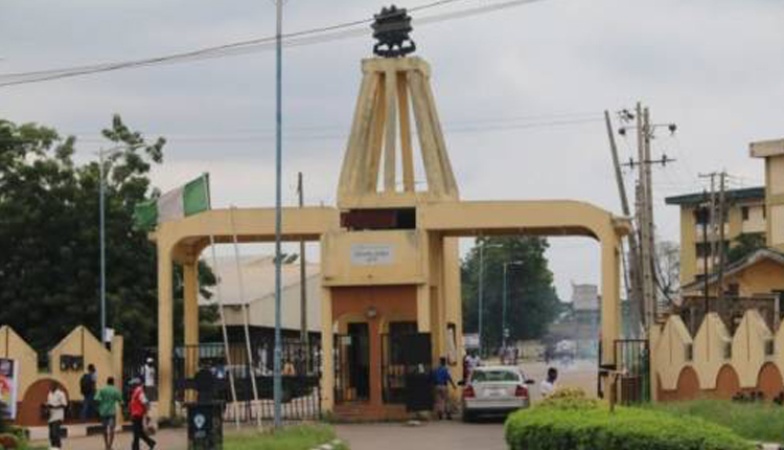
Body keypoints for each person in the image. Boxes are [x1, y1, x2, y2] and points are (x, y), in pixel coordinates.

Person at [94, 377, 123, 450]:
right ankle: (110, 445)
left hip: (103, 412)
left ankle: (106, 444)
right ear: (113, 382)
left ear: (107, 382)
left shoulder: (102, 389)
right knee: (112, 429)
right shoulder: (115, 390)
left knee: (104, 429)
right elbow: (120, 401)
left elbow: (96, 399)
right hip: (111, 413)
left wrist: (100, 405)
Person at [130, 378, 156, 450]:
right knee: (139, 432)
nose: (131, 386)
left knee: (136, 433)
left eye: (132, 384)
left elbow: (145, 402)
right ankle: (151, 443)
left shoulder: (139, 391)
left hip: (137, 415)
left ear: (136, 384)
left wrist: (147, 414)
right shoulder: (136, 391)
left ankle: (135, 448)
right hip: (136, 414)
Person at [46, 382, 68, 450]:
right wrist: (47, 407)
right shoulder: (49, 394)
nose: (51, 387)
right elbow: (49, 403)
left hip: (58, 415)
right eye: (50, 386)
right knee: (51, 434)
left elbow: (64, 405)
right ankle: (53, 447)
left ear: (56, 386)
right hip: (51, 416)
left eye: (52, 385)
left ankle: (58, 446)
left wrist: (54, 407)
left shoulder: (61, 394)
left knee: (55, 432)